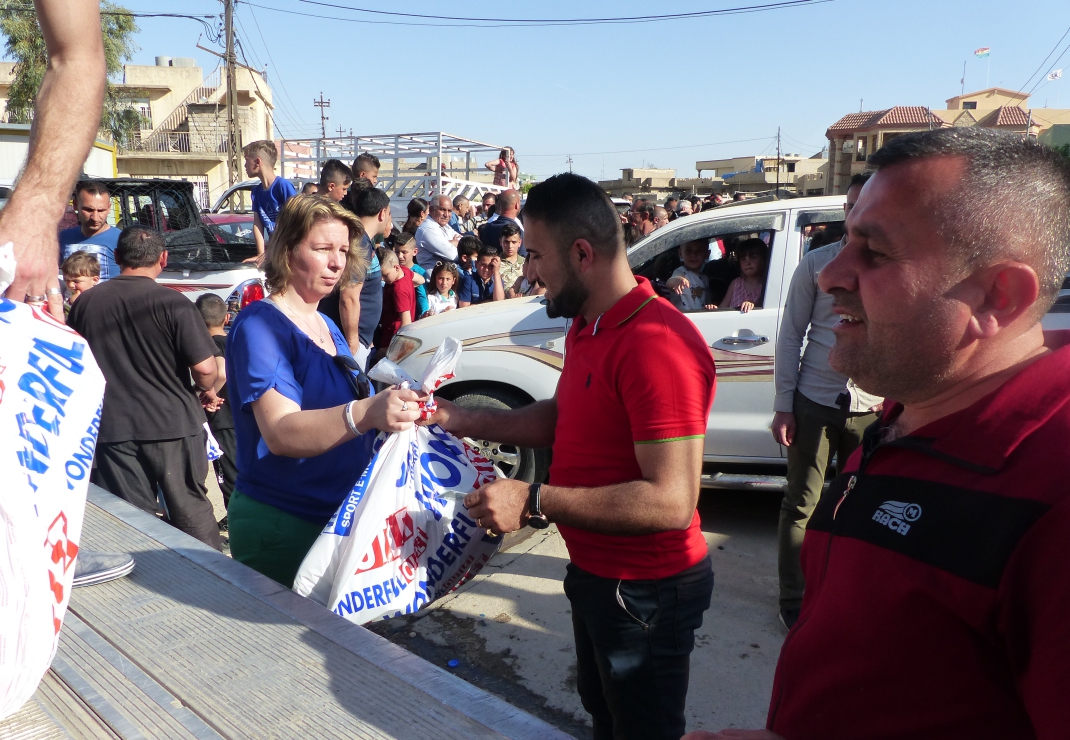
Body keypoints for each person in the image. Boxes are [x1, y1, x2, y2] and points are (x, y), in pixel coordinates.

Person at [688, 127, 1070, 740]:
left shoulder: (1052, 490)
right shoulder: (911, 409)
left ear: (998, 295)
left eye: (876, 252)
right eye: (844, 241)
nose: (830, 276)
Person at [428, 173, 716, 740]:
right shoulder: (590, 325)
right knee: (604, 713)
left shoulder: (656, 345)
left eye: (535, 255)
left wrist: (532, 498)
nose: (528, 272)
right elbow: (562, 418)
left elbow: (671, 502)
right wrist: (459, 417)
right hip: (596, 573)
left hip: (645, 591)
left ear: (582, 253)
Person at [226, 195, 421, 587]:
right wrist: (368, 413)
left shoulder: (325, 324)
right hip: (285, 522)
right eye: (322, 249)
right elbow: (281, 433)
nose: (337, 262)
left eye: (344, 251)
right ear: (286, 251)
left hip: (333, 516)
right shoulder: (261, 325)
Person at [771, 174, 883, 630]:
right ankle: (794, 601)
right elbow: (791, 335)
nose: (858, 214)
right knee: (802, 504)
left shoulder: (890, 271)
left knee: (861, 507)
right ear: (844, 212)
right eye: (851, 206)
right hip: (813, 401)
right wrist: (784, 404)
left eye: (867, 206)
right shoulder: (816, 265)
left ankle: (847, 595)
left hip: (872, 408)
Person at [67, 227, 223, 550]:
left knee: (132, 518)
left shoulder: (85, 305)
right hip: (174, 425)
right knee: (189, 509)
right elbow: (206, 368)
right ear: (163, 259)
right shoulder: (175, 303)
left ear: (117, 257)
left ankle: (143, 583)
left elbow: (74, 364)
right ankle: (215, 579)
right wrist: (206, 389)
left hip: (113, 429)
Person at [319, 186, 391, 359]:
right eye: (389, 214)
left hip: (360, 339)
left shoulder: (363, 239)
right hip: (351, 342)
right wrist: (352, 344)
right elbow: (349, 297)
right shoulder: (360, 242)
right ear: (382, 213)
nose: (389, 219)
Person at [195, 293, 238, 523]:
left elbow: (221, 371)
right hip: (241, 417)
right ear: (227, 317)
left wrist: (208, 394)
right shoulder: (234, 341)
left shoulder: (207, 346)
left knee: (228, 475)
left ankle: (234, 521)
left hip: (223, 420)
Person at [244, 140, 297, 260]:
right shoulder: (256, 192)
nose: (244, 166)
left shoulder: (283, 186)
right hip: (274, 253)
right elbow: (258, 225)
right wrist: (260, 255)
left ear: (257, 162)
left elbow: (297, 222)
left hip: (290, 253)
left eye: (246, 161)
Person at [59, 180, 119, 281]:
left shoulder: (121, 240)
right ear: (75, 205)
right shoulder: (63, 238)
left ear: (109, 208)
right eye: (89, 210)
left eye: (101, 210)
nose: (95, 217)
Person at [376, 249, 414, 353]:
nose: (382, 279)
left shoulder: (399, 291)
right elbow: (420, 280)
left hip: (391, 339)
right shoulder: (405, 271)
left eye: (385, 274)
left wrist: (392, 349)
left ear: (396, 267)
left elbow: (406, 323)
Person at [666, 239, 716, 312]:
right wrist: (678, 280)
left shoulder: (705, 279)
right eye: (688, 251)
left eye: (699, 251)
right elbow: (669, 283)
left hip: (698, 317)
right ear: (680, 254)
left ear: (707, 254)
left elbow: (707, 300)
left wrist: (709, 306)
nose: (693, 255)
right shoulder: (680, 272)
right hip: (681, 316)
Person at [415, 195, 462, 270]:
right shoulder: (427, 228)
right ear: (431, 210)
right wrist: (454, 243)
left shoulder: (445, 226)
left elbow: (464, 242)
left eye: (449, 211)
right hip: (432, 279)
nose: (446, 215)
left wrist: (450, 243)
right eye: (442, 210)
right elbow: (452, 255)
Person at [723, 238, 767, 312]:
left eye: (753, 257)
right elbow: (722, 308)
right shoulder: (735, 283)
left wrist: (752, 305)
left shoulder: (767, 285)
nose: (747, 263)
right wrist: (712, 309)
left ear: (763, 260)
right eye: (743, 259)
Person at [392, 231, 428, 318]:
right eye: (397, 252)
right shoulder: (391, 269)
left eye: (404, 252)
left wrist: (424, 312)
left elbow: (422, 296)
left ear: (415, 252)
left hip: (412, 317)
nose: (400, 256)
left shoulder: (420, 272)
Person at [60, 249, 99, 314]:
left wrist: (78, 303)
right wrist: (70, 302)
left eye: (76, 281)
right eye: (67, 280)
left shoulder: (98, 296)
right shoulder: (67, 293)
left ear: (94, 280)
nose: (70, 285)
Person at [497, 222, 525, 292]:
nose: (510, 246)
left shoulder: (526, 264)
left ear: (519, 243)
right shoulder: (495, 263)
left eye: (514, 242)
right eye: (506, 242)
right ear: (500, 242)